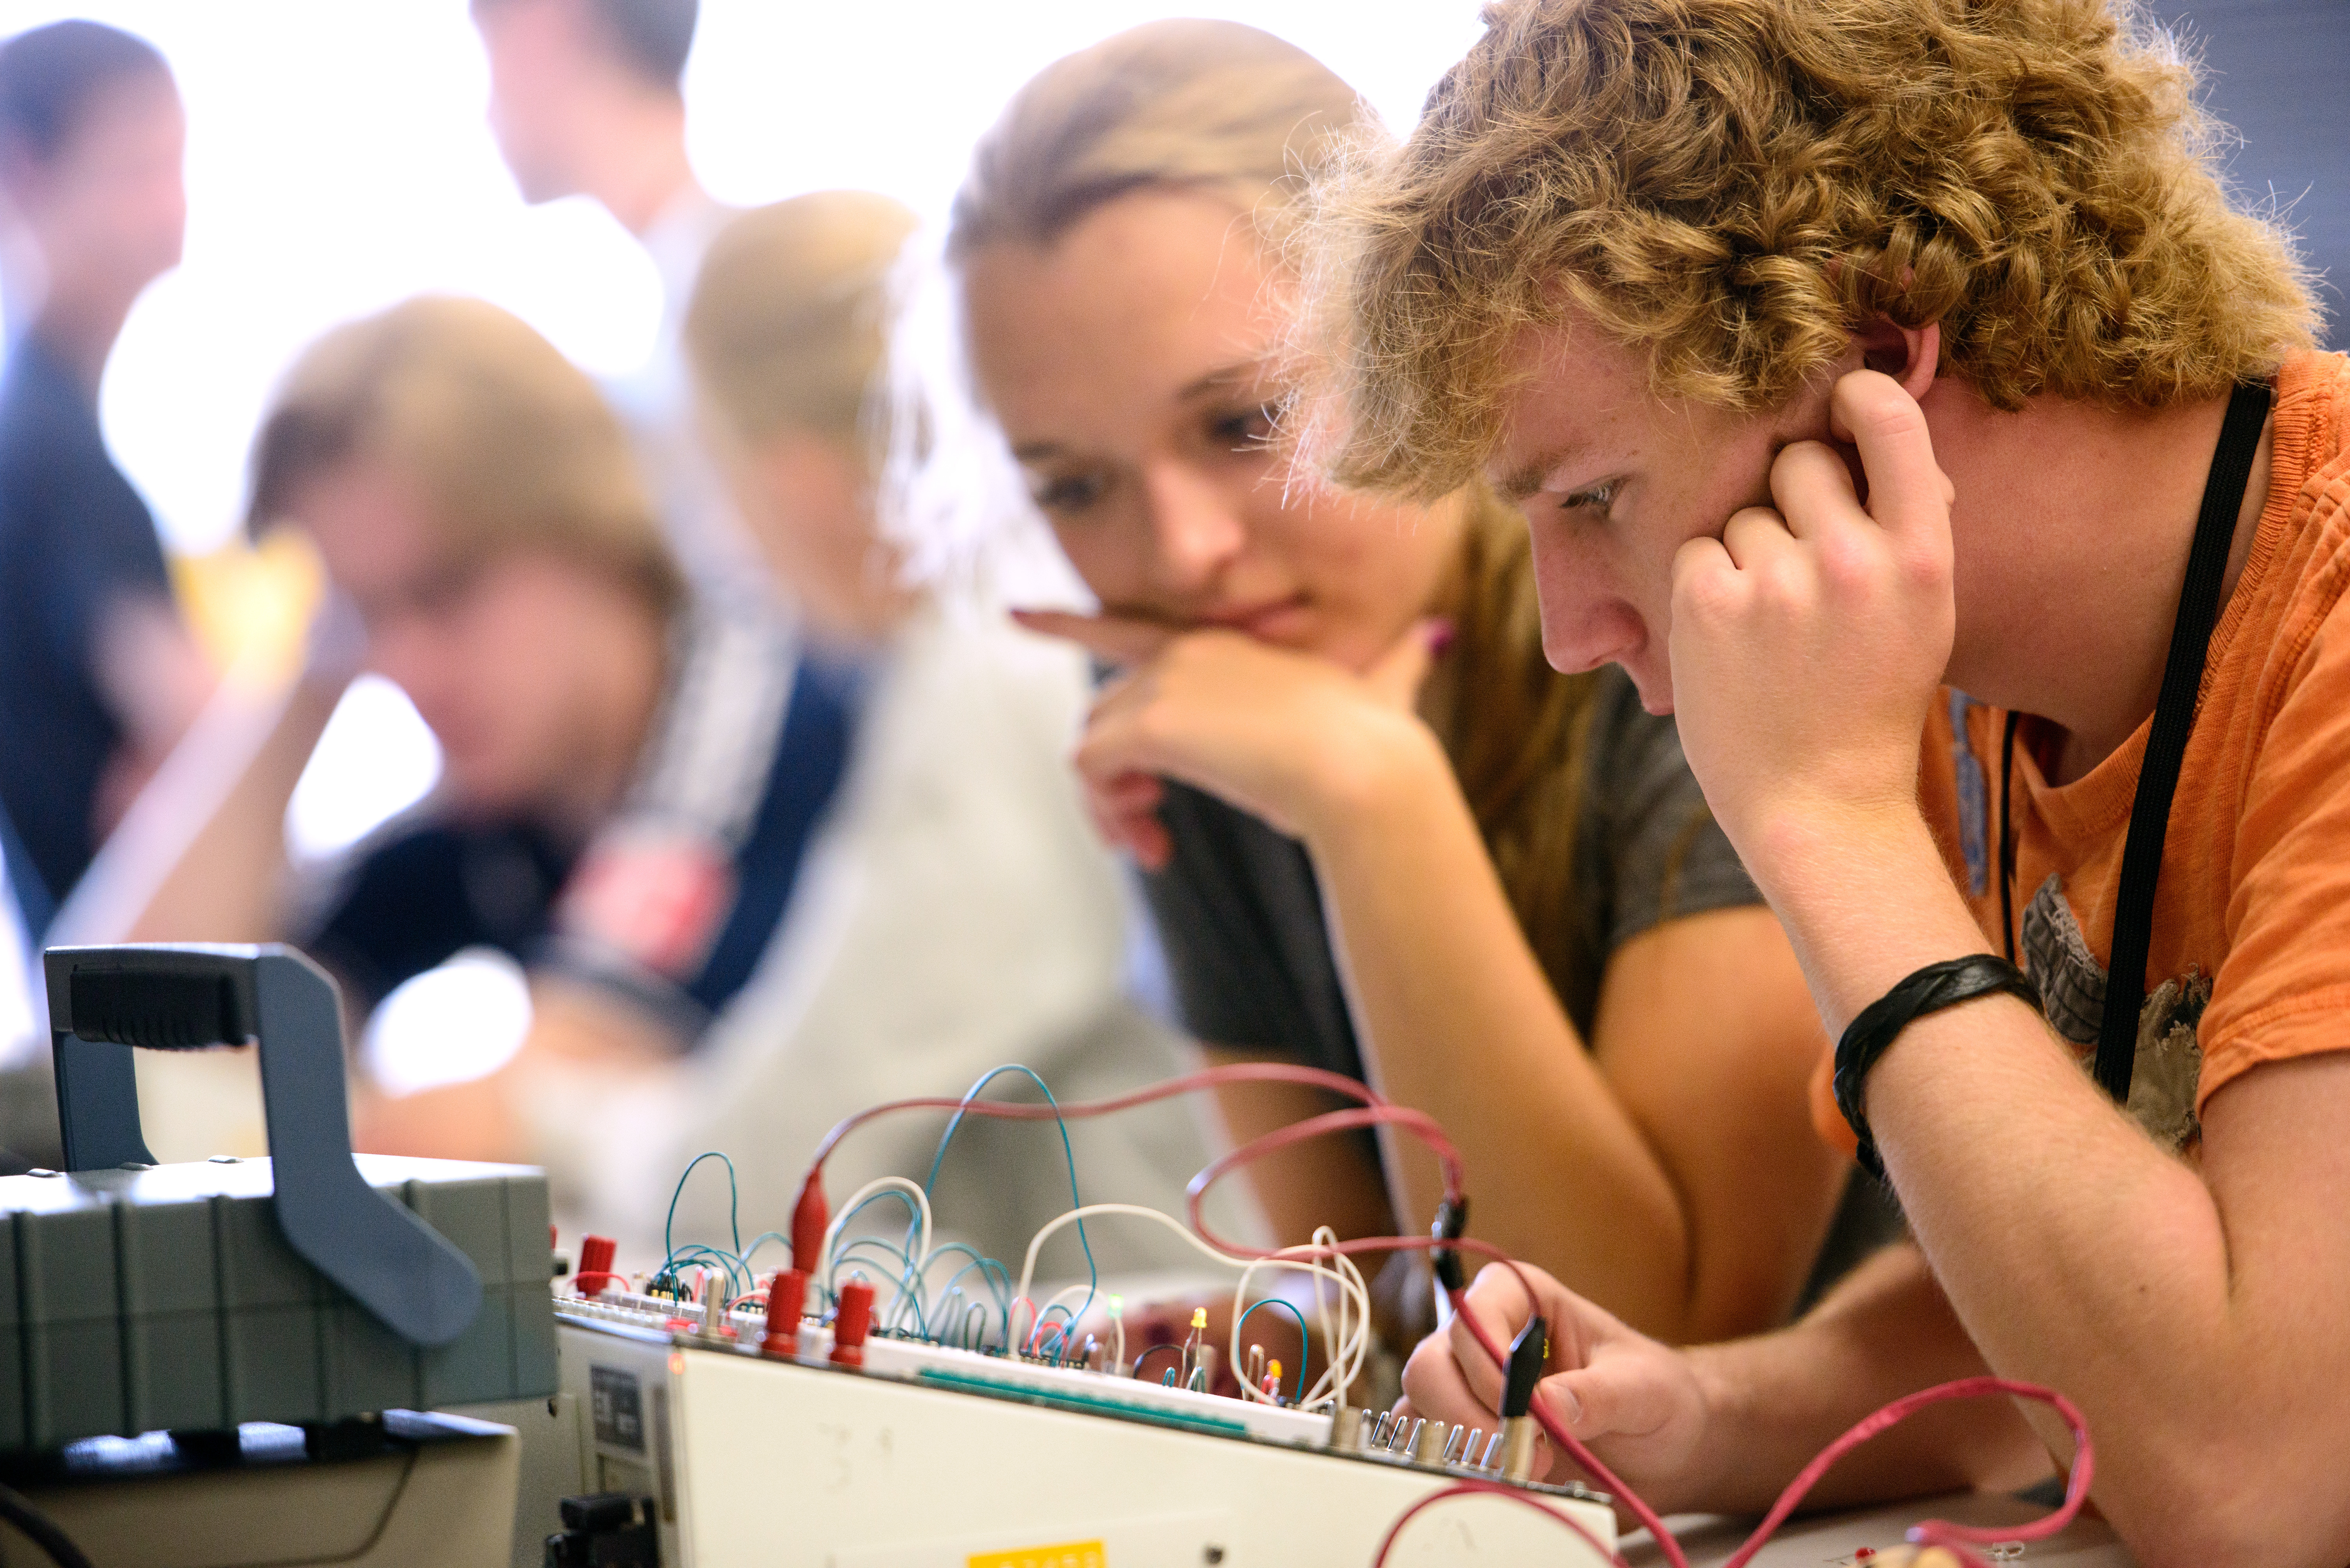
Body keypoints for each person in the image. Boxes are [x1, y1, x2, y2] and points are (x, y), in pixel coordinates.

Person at [1310, 1, 2348, 1560]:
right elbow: (2048, 1299)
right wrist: (1711, 1411)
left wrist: (1833, 824)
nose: (1572, 632)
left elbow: (2257, 1481)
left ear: (1872, 361)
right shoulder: (1943, 681)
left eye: (1593, 498)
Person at [927, 18, 1862, 1350]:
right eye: (1076, 486)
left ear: (1412, 333)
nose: (1181, 553)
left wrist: (1372, 801)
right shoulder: (1206, 689)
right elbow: (1372, 1304)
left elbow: (1596, 1357)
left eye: (1245, 422)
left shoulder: (1663, 612)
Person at [0, 20, 210, 930]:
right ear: (23, 176)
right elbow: (200, 729)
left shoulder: (48, 422)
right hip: (136, 975)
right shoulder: (48, 456)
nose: (172, 206)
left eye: (177, 165)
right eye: (135, 170)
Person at [469, 0, 752, 598]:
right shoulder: (685, 295)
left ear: (543, 29)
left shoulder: (733, 304)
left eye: (486, 51)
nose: (485, 112)